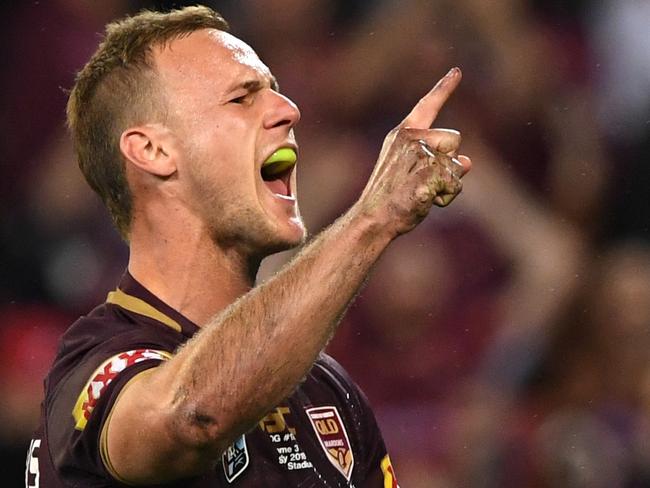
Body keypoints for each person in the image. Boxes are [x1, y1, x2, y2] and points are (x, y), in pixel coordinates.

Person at [26, 5, 471, 487]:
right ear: (152, 151)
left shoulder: (328, 392)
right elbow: (194, 417)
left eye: (275, 92)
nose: (289, 109)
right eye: (242, 98)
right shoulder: (94, 367)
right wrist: (372, 219)